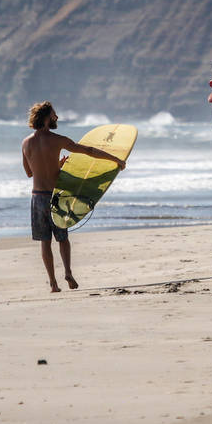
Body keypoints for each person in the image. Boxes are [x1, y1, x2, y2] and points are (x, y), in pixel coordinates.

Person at [21, 101, 127, 293]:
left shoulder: (26, 142)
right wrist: (116, 160)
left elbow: (29, 173)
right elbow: (88, 151)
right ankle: (68, 272)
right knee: (62, 238)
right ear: (46, 118)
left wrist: (56, 166)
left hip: (37, 198)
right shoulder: (58, 140)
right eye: (54, 114)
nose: (57, 117)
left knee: (45, 242)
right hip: (56, 196)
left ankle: (53, 283)